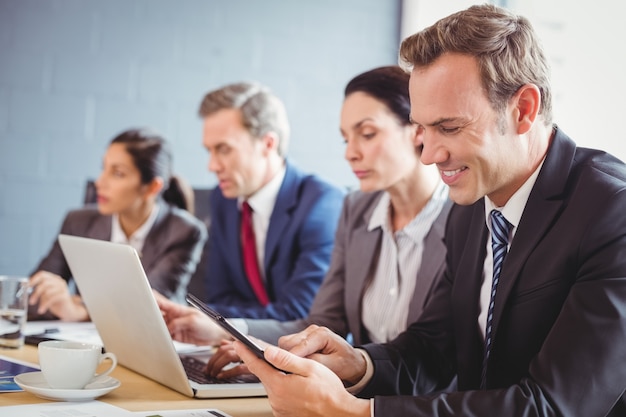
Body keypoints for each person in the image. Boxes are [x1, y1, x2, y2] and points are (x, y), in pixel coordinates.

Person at [231, 4, 626, 416]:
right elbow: (436, 347)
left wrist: (355, 413)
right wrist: (356, 363)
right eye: (422, 128)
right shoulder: (472, 208)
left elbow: (555, 406)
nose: (428, 154)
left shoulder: (612, 212)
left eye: (449, 127)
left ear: (524, 109)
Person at [158, 67, 452, 378]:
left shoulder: (464, 219)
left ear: (418, 130)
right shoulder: (357, 208)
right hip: (353, 393)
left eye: (367, 134)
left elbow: (442, 357)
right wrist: (241, 337)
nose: (350, 154)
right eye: (345, 140)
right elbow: (322, 323)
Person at [170, 81, 345, 320]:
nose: (212, 166)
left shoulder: (322, 205)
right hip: (242, 346)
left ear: (267, 144)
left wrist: (218, 323)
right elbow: (220, 296)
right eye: (209, 151)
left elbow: (300, 313)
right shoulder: (223, 200)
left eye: (224, 149)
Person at [29, 128, 207, 321]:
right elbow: (33, 296)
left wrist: (81, 311)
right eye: (103, 169)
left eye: (118, 173)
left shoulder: (184, 231)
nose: (99, 182)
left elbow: (146, 305)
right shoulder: (77, 222)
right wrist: (56, 298)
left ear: (152, 187)